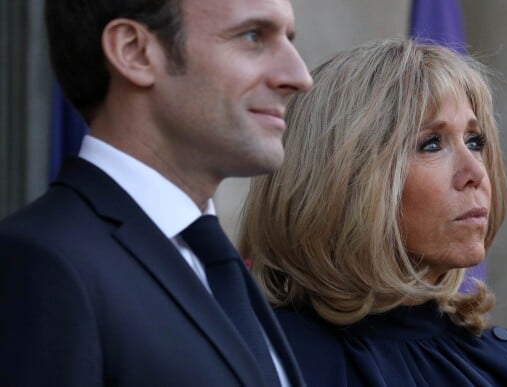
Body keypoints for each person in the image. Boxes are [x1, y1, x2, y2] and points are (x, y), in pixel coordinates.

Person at [0, 0, 312, 386]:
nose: (299, 77)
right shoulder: (41, 263)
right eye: (253, 36)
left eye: (288, 38)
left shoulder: (213, 261)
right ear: (134, 51)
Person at [238, 39, 507, 386]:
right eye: (431, 144)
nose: (475, 171)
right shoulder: (263, 360)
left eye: (475, 141)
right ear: (345, 178)